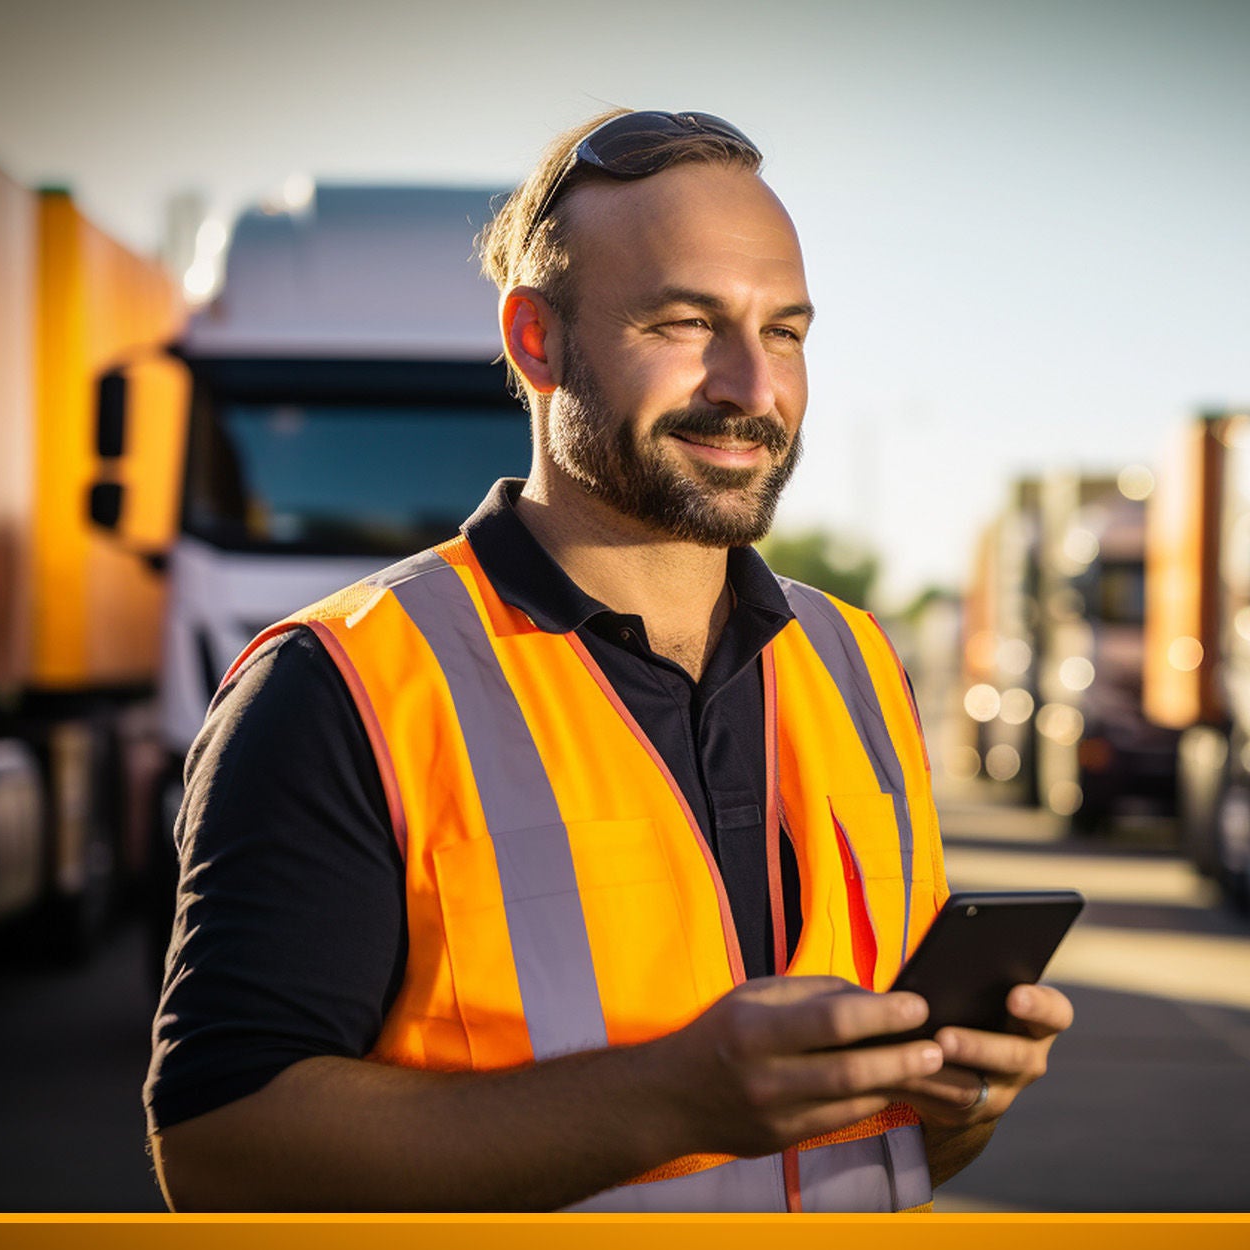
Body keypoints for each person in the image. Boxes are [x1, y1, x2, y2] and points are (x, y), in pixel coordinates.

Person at [145, 108, 1074, 1212]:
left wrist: (954, 1093)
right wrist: (674, 1100)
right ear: (536, 341)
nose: (750, 386)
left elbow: (888, 1153)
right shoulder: (338, 685)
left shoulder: (855, 661)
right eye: (687, 322)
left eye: (784, 331)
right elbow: (218, 1155)